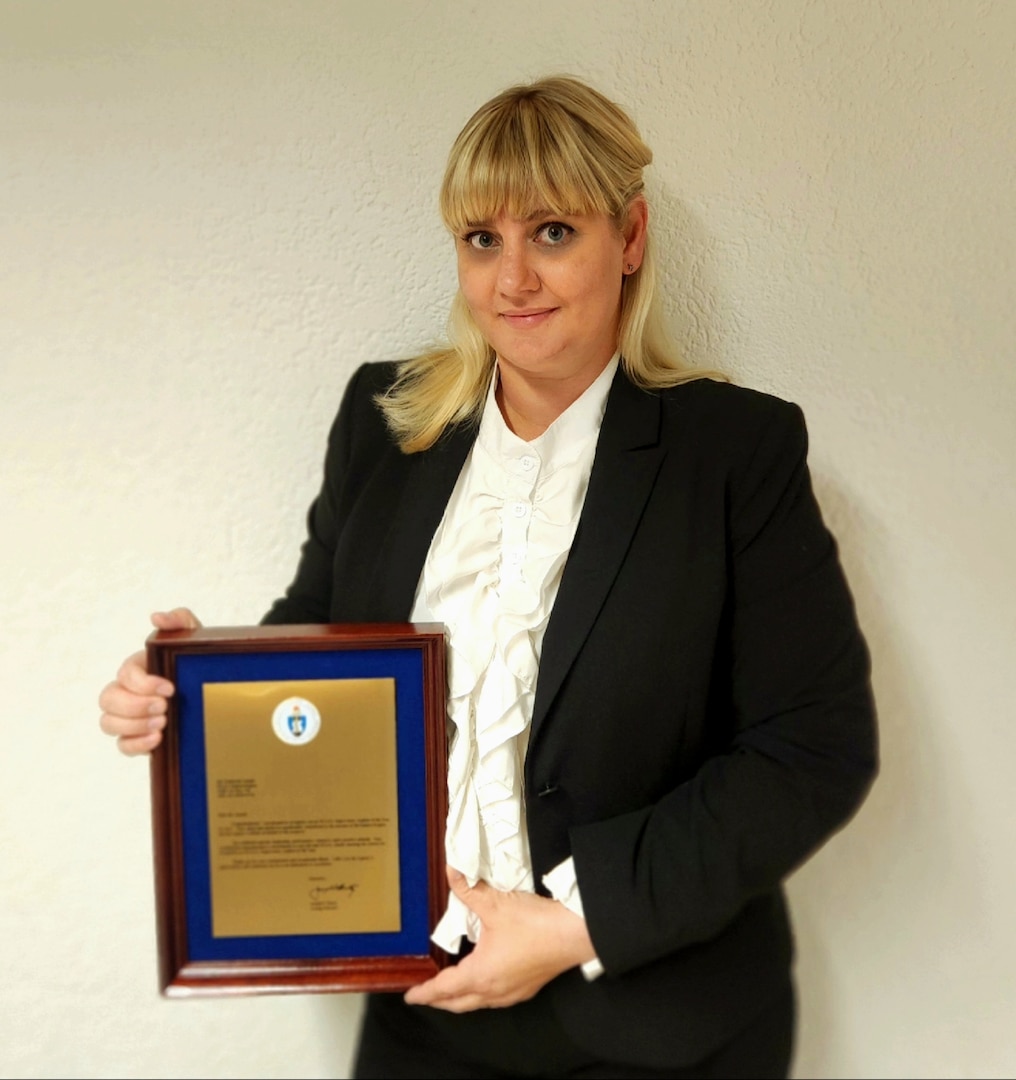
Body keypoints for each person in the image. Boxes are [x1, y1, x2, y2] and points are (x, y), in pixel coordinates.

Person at [98, 75, 877, 1079]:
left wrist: (576, 923)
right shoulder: (383, 424)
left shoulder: (732, 452)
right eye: (481, 239)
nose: (513, 278)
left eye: (552, 231)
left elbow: (812, 746)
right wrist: (192, 697)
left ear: (628, 239)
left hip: (658, 1023)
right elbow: (324, 648)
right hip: (423, 1012)